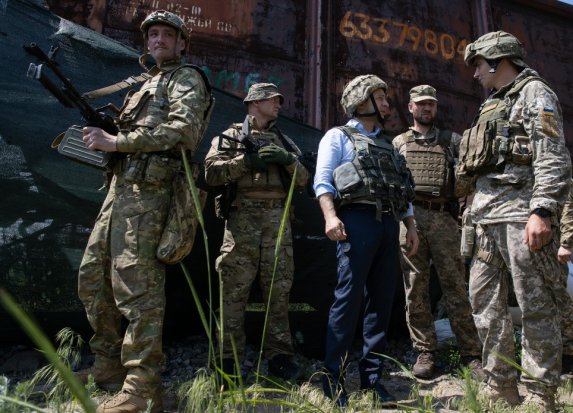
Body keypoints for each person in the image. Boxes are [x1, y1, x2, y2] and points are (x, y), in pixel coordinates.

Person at [76, 10, 212, 413]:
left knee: (138, 290)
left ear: (182, 42)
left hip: (151, 196)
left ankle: (142, 386)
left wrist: (117, 143)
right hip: (120, 190)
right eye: (152, 34)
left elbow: (184, 131)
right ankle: (107, 368)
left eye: (167, 34)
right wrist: (111, 140)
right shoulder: (144, 84)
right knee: (93, 277)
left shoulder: (186, 78)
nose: (158, 40)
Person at [458, 31, 572, 410]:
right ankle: (500, 385)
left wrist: (541, 211)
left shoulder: (536, 94)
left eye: (478, 64)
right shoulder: (492, 104)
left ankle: (540, 395)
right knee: (484, 304)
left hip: (521, 215)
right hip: (486, 218)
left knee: (534, 305)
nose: (475, 73)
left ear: (496, 60)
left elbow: (552, 157)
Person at [313, 74, 419, 406]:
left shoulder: (389, 144)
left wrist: (410, 226)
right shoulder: (338, 136)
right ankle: (334, 378)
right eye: (380, 96)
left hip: (388, 224)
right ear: (362, 101)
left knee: (382, 303)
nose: (387, 102)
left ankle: (373, 381)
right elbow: (323, 180)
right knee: (347, 300)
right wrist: (331, 216)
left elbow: (402, 189)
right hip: (355, 222)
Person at [204, 83, 309, 382]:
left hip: (278, 222)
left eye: (278, 100)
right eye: (271, 100)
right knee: (232, 293)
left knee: (278, 292)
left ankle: (279, 357)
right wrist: (245, 162)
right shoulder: (231, 136)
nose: (278, 105)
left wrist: (288, 161)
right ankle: (228, 361)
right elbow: (211, 173)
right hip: (241, 221)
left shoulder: (285, 141)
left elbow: (304, 180)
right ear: (253, 103)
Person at [392, 85, 482, 380]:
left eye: (431, 104)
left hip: (444, 218)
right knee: (415, 287)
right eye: (421, 104)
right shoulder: (399, 143)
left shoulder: (451, 141)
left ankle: (471, 352)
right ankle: (425, 351)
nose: (426, 109)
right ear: (411, 107)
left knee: (456, 285)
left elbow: (470, 173)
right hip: (411, 218)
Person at [555, 179, 573, 381]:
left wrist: (566, 242)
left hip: (550, 245)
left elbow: (571, 204)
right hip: (517, 242)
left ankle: (569, 357)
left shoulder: (552, 162)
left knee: (559, 300)